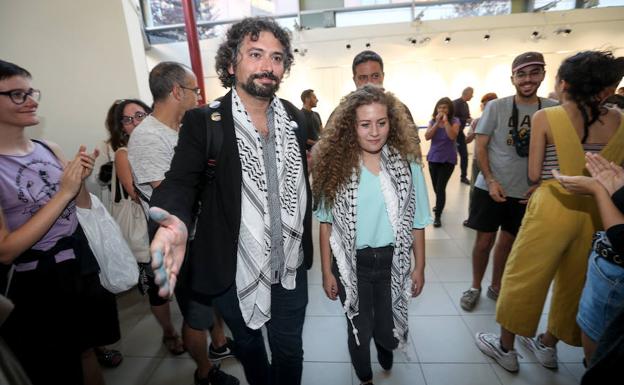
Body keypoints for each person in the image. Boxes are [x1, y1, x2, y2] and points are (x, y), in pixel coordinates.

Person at [148, 17, 313, 385]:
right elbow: (180, 181)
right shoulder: (204, 121)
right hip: (231, 268)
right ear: (230, 64)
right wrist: (172, 218)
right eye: (255, 54)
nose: (268, 66)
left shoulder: (294, 116)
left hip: (288, 265)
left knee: (289, 350)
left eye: (277, 57)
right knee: (250, 345)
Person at [475, 50, 624, 373]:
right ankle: (548, 344)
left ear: (564, 83)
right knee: (576, 280)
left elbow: (533, 173)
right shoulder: (619, 121)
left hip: (553, 204)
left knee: (525, 275)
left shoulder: (548, 117)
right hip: (598, 211)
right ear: (605, 88)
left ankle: (506, 348)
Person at [0, 59, 117, 385]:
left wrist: (79, 181)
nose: (32, 101)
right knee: (54, 364)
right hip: (39, 279)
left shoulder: (45, 147)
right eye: (17, 94)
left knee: (86, 350)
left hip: (78, 264)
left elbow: (79, 206)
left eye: (31, 92)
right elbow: (6, 250)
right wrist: (64, 192)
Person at [127, 62, 237, 385]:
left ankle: (218, 344)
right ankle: (204, 372)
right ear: (177, 91)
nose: (199, 95)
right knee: (195, 310)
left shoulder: (181, 128)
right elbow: (171, 192)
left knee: (209, 295)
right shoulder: (147, 137)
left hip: (200, 229)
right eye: (194, 89)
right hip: (176, 234)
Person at [313, 85, 430, 385]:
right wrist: (327, 272)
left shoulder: (409, 164)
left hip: (394, 261)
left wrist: (420, 265)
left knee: (386, 327)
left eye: (381, 122)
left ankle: (386, 348)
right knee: (359, 326)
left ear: (392, 122)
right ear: (351, 128)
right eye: (365, 124)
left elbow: (417, 221)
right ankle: (364, 376)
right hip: (352, 265)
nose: (375, 132)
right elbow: (325, 225)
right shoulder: (335, 168)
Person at [460, 52, 557, 312]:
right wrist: (490, 180)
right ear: (512, 77)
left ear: (543, 75)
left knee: (508, 242)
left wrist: (542, 184)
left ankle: (497, 285)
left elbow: (553, 152)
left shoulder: (551, 109)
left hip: (526, 192)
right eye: (521, 74)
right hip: (491, 189)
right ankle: (475, 286)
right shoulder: (497, 107)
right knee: (483, 242)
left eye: (534, 73)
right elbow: (481, 148)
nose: (528, 79)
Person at [552, 153, 624, 365]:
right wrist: (616, 189)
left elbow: (621, 238)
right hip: (610, 271)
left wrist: (598, 190)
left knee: (598, 357)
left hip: (615, 278)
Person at [425, 97, 460, 227]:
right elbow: (427, 136)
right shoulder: (432, 121)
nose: (442, 110)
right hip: (434, 158)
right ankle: (439, 203)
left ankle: (438, 215)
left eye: (445, 108)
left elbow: (452, 136)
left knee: (440, 188)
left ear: (449, 109)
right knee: (435, 186)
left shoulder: (454, 121)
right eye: (440, 107)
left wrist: (445, 122)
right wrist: (436, 123)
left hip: (448, 159)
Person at [464, 92, 498, 225]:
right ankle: (472, 216)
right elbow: (467, 139)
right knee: (474, 189)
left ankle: (492, 216)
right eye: (485, 104)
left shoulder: (500, 121)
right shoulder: (477, 121)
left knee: (494, 188)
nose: (487, 107)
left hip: (495, 161)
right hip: (478, 160)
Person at [453, 87, 474, 185]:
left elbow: (467, 116)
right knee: (450, 156)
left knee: (464, 155)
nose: (472, 96)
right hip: (453, 133)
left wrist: (470, 119)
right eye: (471, 94)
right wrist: (466, 120)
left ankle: (463, 176)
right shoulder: (455, 103)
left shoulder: (466, 105)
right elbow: (453, 118)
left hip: (460, 133)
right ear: (467, 93)